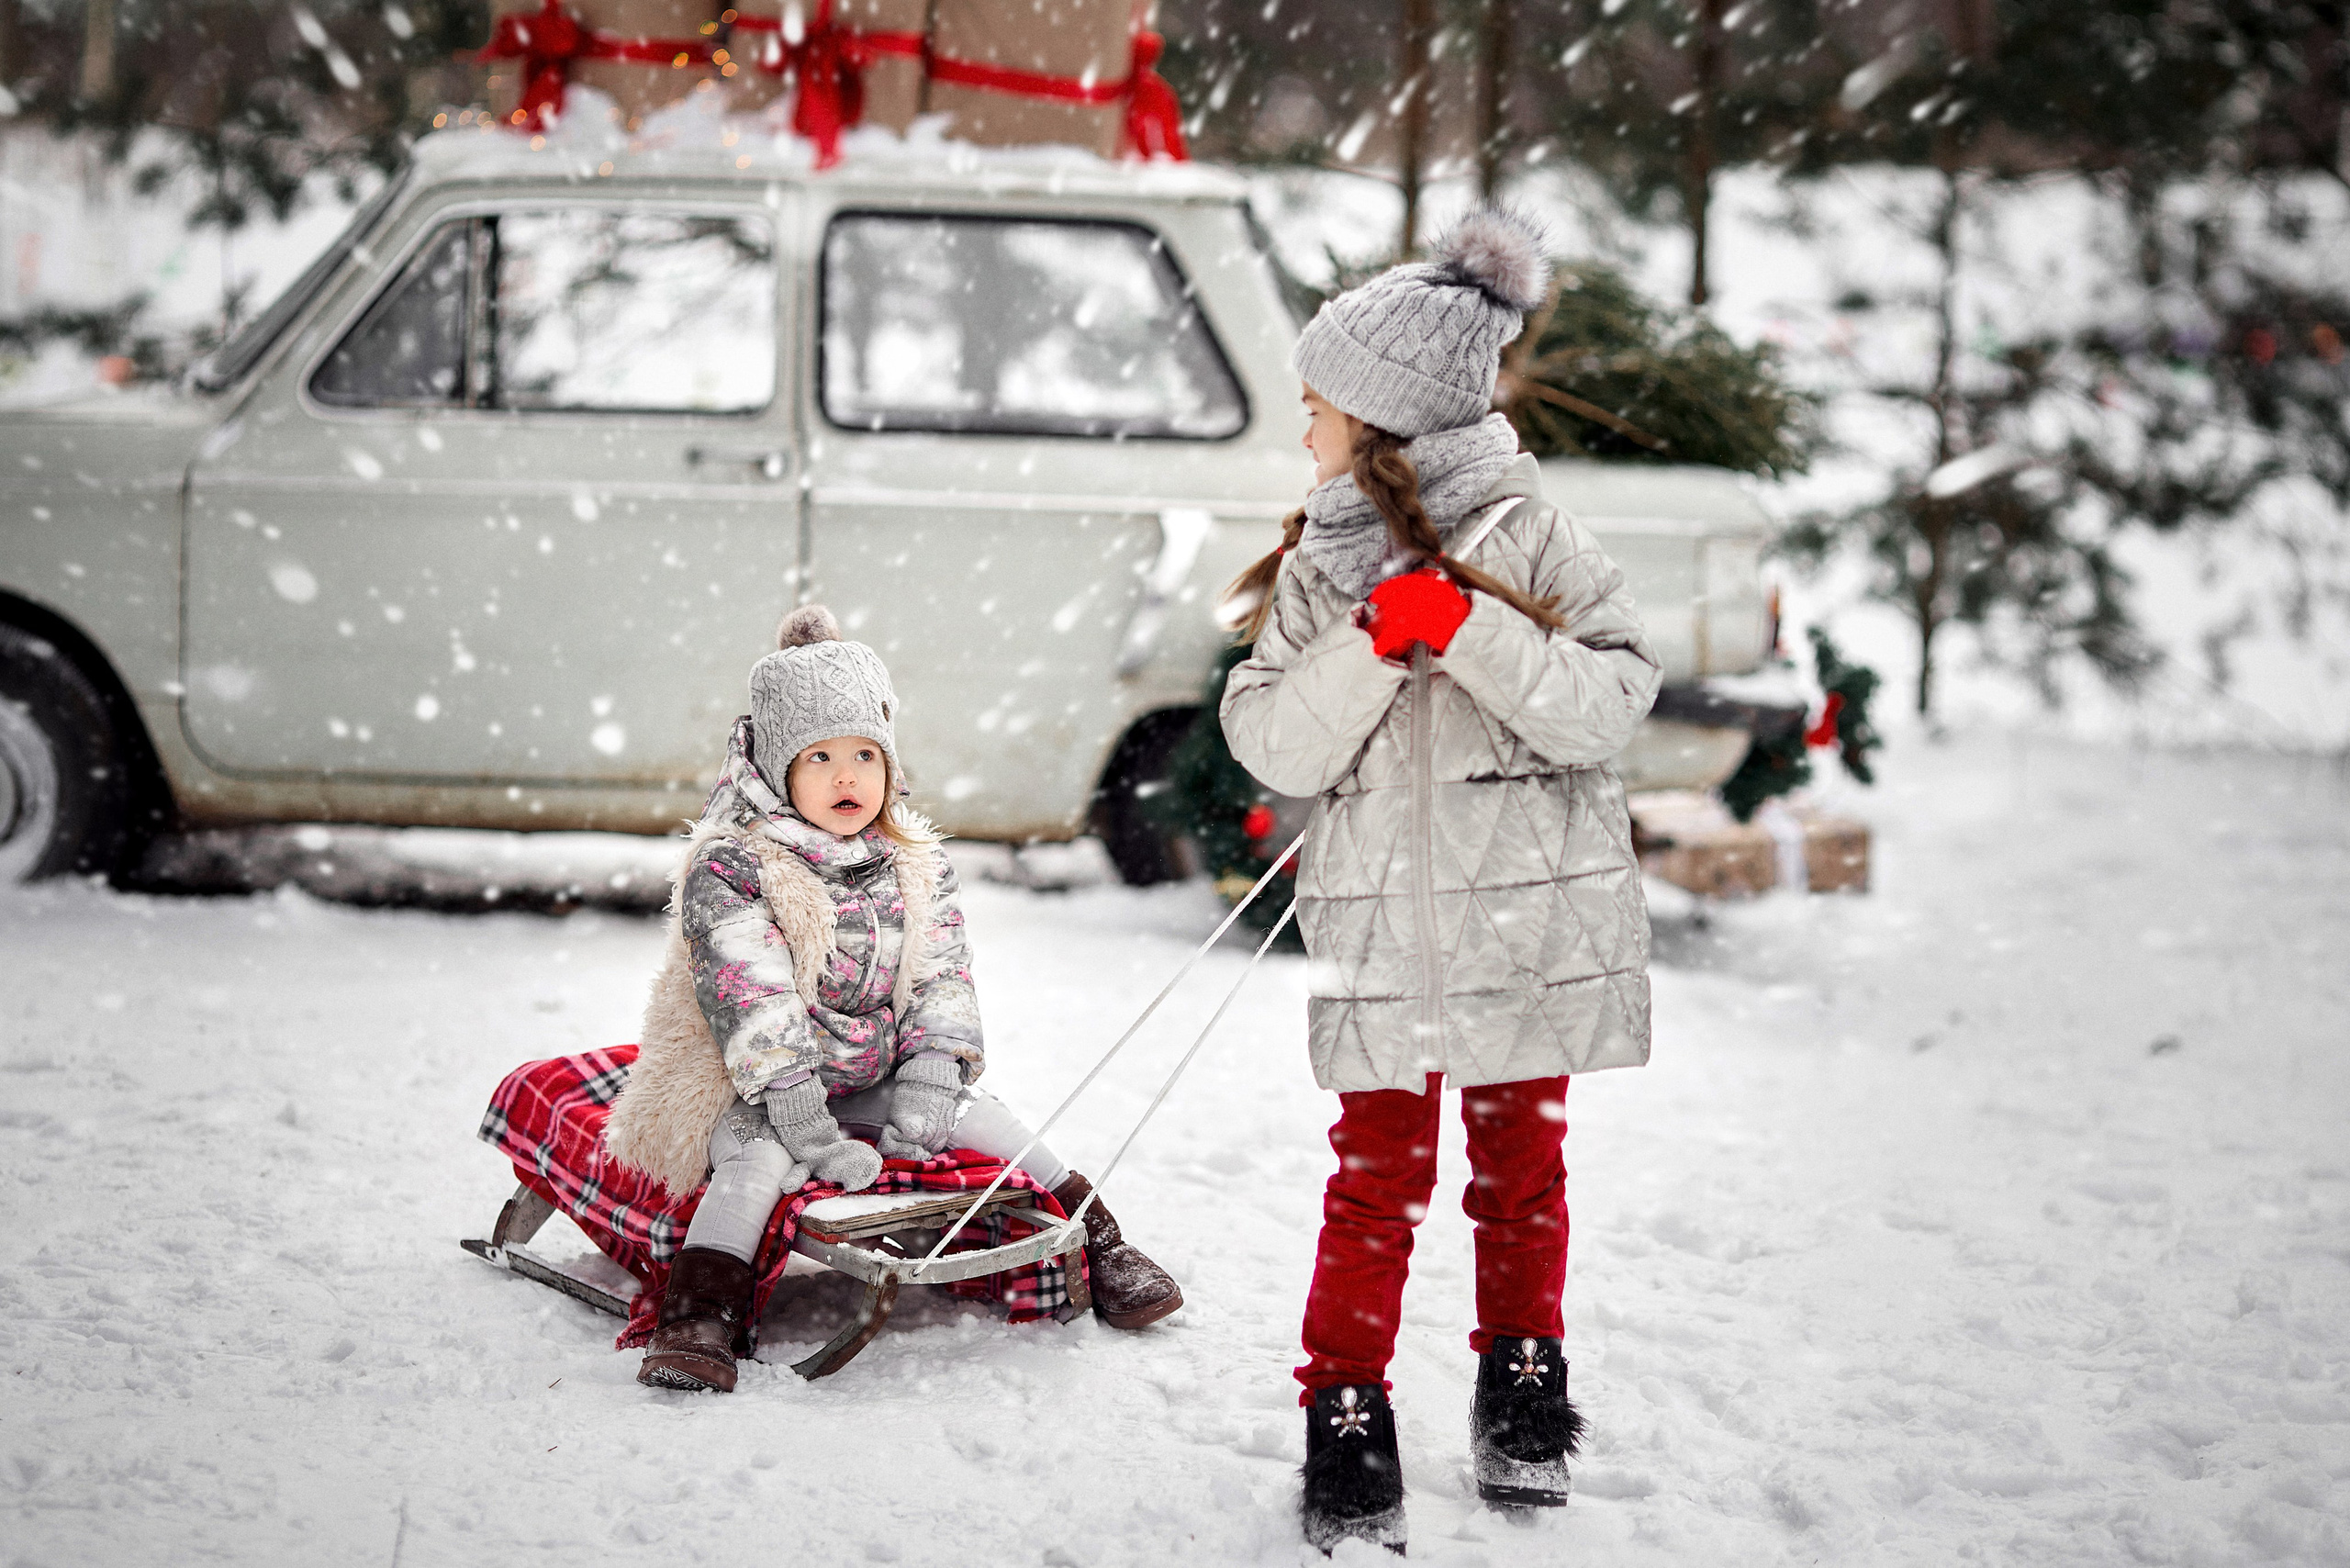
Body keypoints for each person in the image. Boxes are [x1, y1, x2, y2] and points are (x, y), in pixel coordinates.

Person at [1217, 207, 1662, 1552]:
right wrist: (1367, 643)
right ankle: (1347, 1410)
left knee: (1521, 1171)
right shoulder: (1320, 562)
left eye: (1316, 410)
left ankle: (1523, 1383)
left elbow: (1610, 700)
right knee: (1374, 1181)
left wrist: (1467, 630)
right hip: (1383, 936)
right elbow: (1271, 738)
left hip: (1524, 919)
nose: (1304, 437)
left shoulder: (1530, 536)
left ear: (1383, 417)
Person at [604, 606, 1183, 1394]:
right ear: (777, 770)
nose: (848, 778)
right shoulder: (735, 868)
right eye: (820, 758)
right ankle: (701, 1314)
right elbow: (752, 996)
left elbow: (942, 974)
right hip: (753, 1081)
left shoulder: (910, 861)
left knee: (989, 1121)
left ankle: (1102, 1241)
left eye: (865, 756)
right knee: (756, 1164)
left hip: (868, 1070)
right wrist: (801, 1114)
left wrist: (932, 1074)